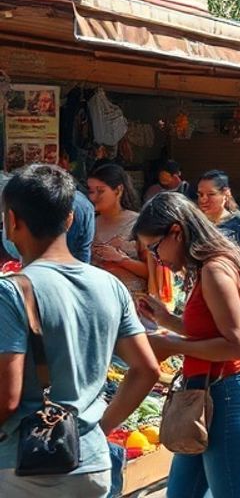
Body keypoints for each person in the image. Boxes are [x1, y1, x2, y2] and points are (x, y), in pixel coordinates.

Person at [0, 164, 159, 497]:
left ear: (11, 221)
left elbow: (7, 397)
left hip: (27, 467)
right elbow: (146, 369)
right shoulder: (109, 286)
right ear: (70, 219)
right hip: (92, 464)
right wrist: (97, 428)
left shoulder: (11, 292)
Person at [134, 192, 240, 497]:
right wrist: (167, 320)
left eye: (155, 249)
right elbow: (212, 331)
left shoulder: (215, 270)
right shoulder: (211, 266)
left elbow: (234, 345)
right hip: (210, 399)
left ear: (177, 232)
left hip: (230, 397)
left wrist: (173, 345)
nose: (157, 260)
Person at [87, 163, 149, 294]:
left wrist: (122, 260)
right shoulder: (89, 223)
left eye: (100, 191)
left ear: (118, 190)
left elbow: (152, 271)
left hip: (132, 300)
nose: (93, 197)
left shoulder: (137, 223)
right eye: (91, 191)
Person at [196, 170, 240, 257]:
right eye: (200, 195)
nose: (203, 199)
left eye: (211, 194)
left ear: (226, 194)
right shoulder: (195, 222)